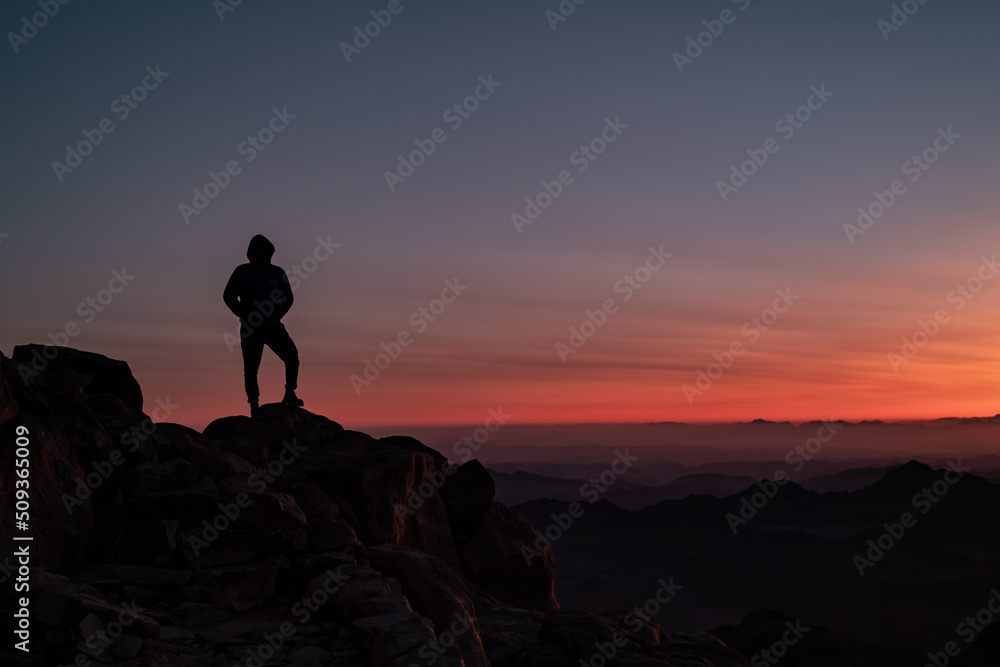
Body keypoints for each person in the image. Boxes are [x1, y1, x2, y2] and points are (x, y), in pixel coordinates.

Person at [223, 234, 303, 417]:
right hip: (251, 328)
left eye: (265, 250)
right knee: (251, 369)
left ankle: (290, 392)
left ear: (269, 251)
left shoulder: (277, 272)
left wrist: (276, 315)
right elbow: (228, 295)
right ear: (252, 252)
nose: (262, 253)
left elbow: (288, 297)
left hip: (273, 326)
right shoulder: (242, 271)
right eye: (258, 250)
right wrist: (243, 312)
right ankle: (254, 405)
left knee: (292, 356)